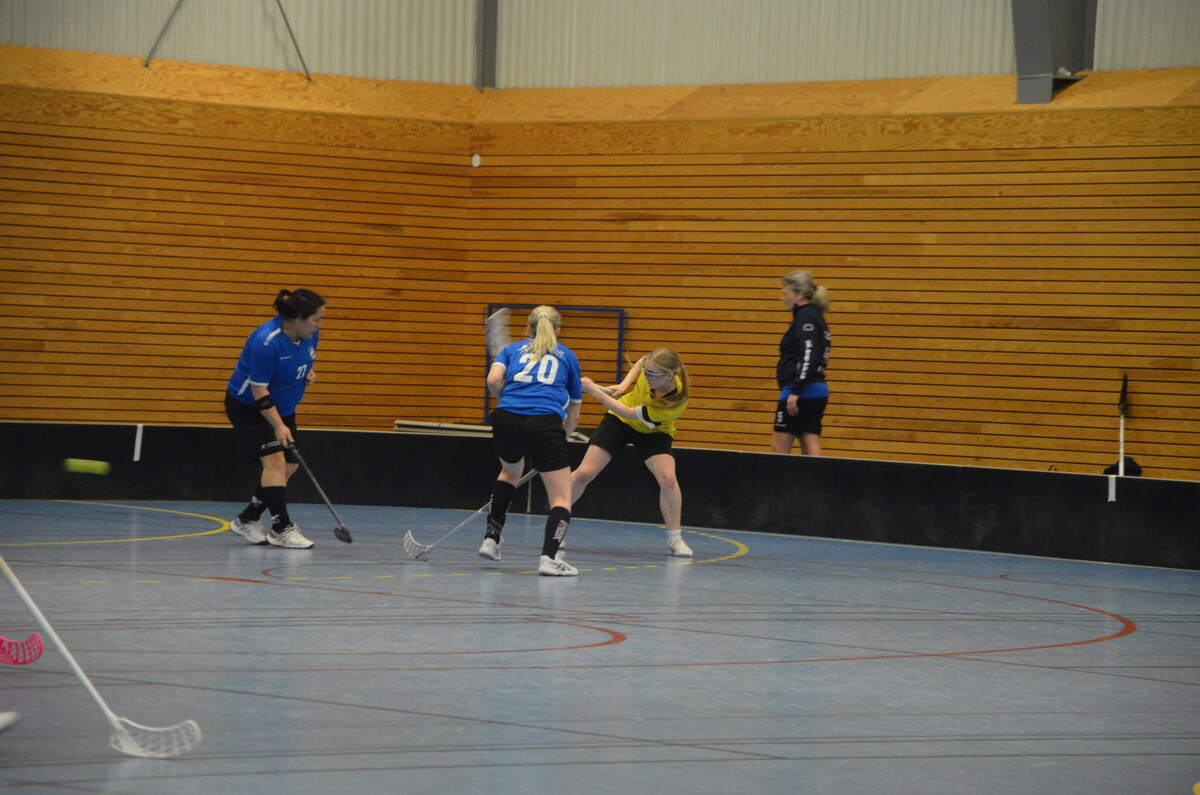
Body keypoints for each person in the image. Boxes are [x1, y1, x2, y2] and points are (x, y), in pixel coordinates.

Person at [477, 305, 583, 576]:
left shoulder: (511, 350)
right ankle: (549, 559)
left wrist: (510, 400)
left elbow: (493, 380)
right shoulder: (569, 357)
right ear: (558, 330)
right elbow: (573, 417)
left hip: (506, 418)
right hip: (545, 422)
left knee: (509, 473)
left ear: (527, 328)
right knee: (561, 497)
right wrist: (560, 438)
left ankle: (491, 539)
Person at [224, 288, 326, 550]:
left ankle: (247, 519)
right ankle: (281, 528)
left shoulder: (309, 334)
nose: (319, 324)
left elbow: (302, 360)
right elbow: (259, 390)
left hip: (283, 406)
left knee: (290, 466)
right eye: (316, 319)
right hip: (250, 407)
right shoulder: (266, 342)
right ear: (298, 318)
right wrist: (278, 426)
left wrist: (307, 374)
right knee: (275, 463)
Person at [572, 348, 693, 557]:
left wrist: (593, 390)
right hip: (618, 422)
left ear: (670, 375)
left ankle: (675, 538)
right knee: (584, 473)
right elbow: (641, 362)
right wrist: (624, 385)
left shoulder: (675, 402)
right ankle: (557, 522)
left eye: (652, 374)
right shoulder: (650, 367)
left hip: (653, 431)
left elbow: (628, 412)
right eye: (647, 371)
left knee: (668, 478)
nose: (647, 376)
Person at [772, 270, 831, 456]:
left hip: (801, 391)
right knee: (809, 441)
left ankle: (777, 478)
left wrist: (796, 391)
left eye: (785, 293)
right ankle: (816, 477)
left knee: (778, 450)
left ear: (799, 295)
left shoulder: (805, 316)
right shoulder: (815, 315)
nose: (782, 298)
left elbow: (809, 353)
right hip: (816, 391)